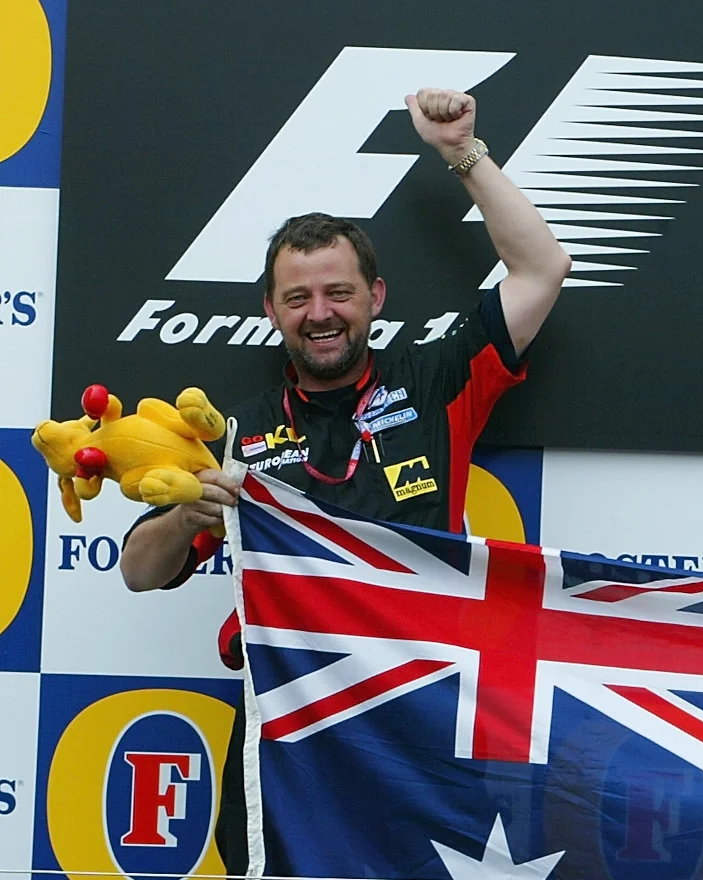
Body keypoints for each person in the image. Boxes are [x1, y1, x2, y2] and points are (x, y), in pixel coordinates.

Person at [118, 87, 570, 873]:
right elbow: (136, 570)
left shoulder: (437, 380)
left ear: (375, 298)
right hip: (290, 724)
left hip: (419, 715)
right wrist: (190, 516)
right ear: (271, 309)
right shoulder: (230, 430)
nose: (320, 313)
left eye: (339, 293)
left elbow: (542, 269)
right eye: (298, 298)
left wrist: (461, 151)